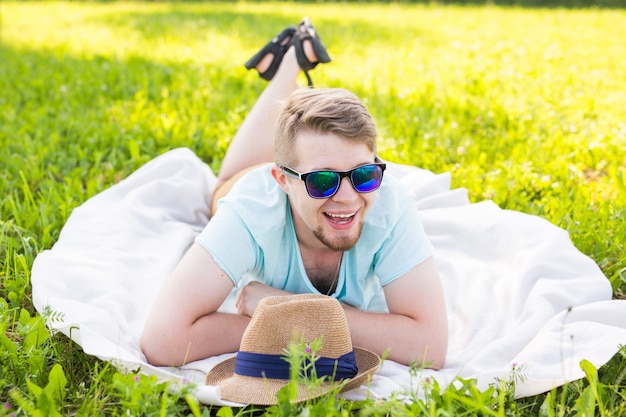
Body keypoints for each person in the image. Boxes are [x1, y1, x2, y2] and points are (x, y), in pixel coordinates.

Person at [141, 17, 448, 370]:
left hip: (292, 176)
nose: (348, 198)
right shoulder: (249, 209)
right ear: (282, 180)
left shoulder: (389, 202)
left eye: (363, 175)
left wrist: (291, 312)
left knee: (303, 139)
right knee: (228, 177)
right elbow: (163, 340)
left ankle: (297, 81)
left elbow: (430, 348)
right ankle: (289, 61)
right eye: (322, 181)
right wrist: (322, 327)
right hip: (247, 183)